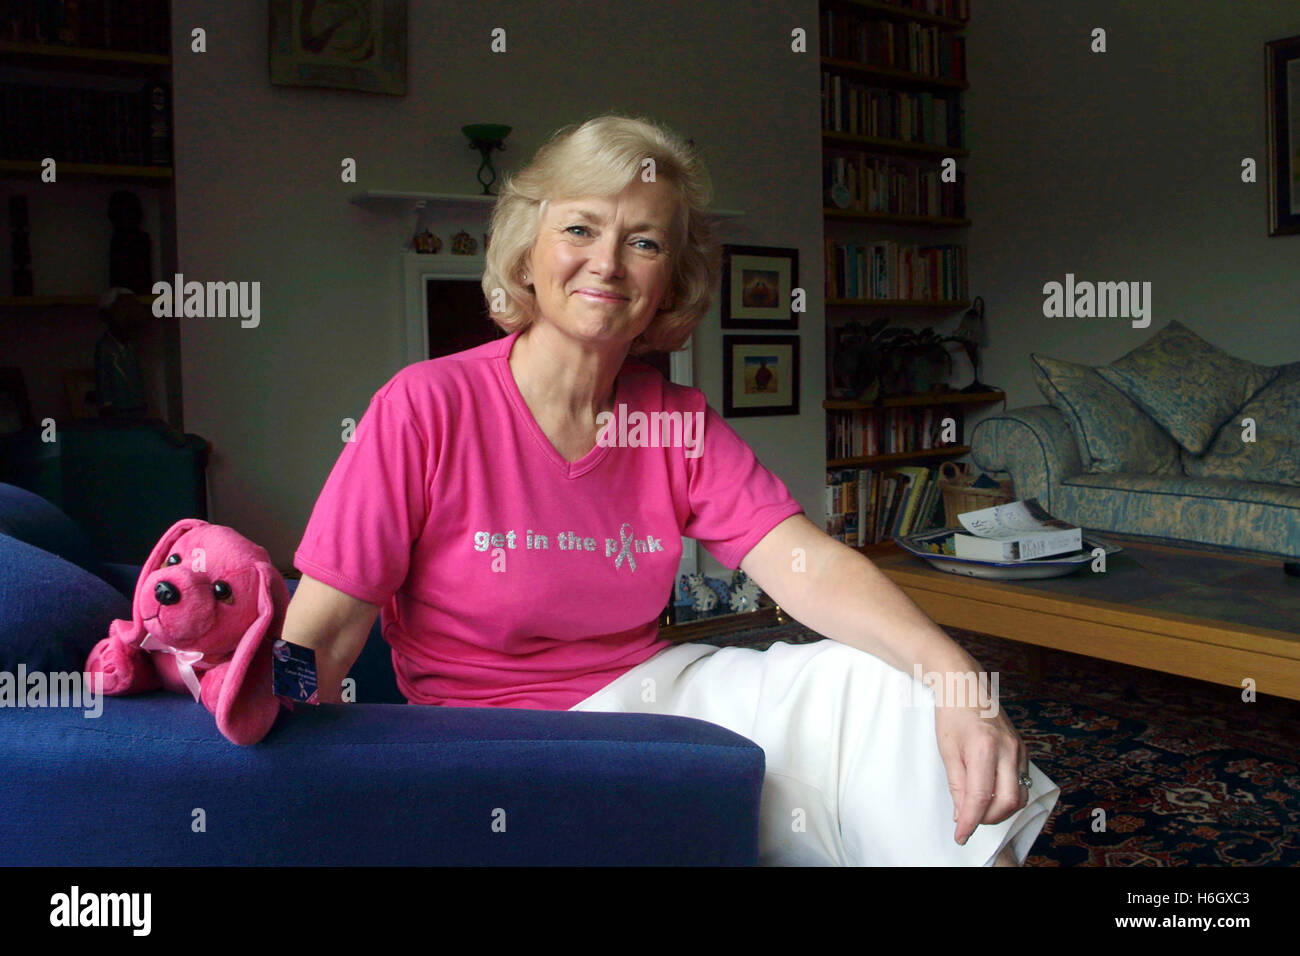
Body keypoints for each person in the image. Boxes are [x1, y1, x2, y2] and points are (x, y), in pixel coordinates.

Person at [284, 113, 1060, 866]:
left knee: (885, 688)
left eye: (643, 241)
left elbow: (807, 567)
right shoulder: (424, 405)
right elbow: (325, 633)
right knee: (797, 793)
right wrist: (280, 786)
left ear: (669, 282)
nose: (608, 263)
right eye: (580, 229)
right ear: (527, 252)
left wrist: (959, 677)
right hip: (502, 740)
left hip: (653, 693)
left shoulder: (672, 418)